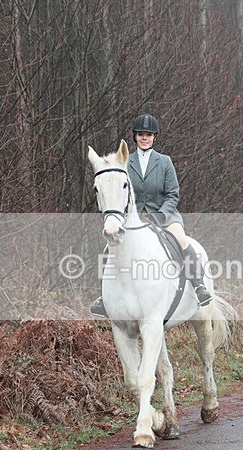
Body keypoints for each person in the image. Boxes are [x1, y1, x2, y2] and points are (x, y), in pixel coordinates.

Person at [90, 114, 212, 318]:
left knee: (182, 241)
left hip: (164, 215)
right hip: (133, 218)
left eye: (148, 135)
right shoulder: (125, 162)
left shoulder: (164, 162)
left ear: (154, 137)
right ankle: (104, 298)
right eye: (140, 135)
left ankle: (199, 286)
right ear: (135, 137)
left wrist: (162, 214)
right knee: (108, 248)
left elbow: (173, 193)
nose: (144, 138)